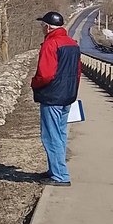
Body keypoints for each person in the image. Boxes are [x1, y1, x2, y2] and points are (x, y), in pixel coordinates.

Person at [31, 11, 81, 186]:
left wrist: (34, 84)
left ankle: (60, 175)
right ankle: (55, 170)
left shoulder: (50, 44)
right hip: (67, 96)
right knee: (60, 135)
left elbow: (45, 74)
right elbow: (77, 72)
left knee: (50, 136)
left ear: (47, 27)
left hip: (52, 96)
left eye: (42, 26)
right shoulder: (72, 44)